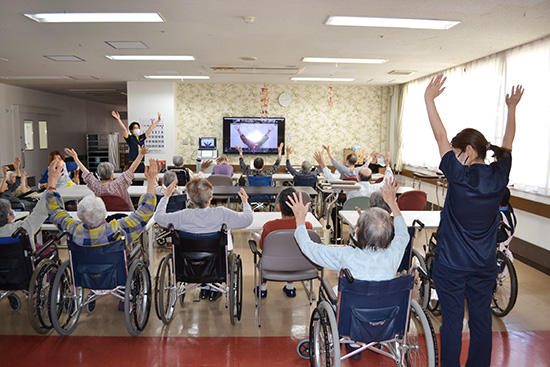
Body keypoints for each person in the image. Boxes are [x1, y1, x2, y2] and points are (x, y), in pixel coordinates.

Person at [424, 74, 523, 367]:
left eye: (456, 152)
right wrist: (512, 108)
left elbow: (440, 136)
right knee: (481, 321)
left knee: (452, 323)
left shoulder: (459, 176)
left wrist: (429, 100)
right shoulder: (498, 176)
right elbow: (508, 143)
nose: (452, 156)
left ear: (468, 151)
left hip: (451, 265)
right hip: (483, 265)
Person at [288, 178, 409, 281]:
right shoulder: (393, 254)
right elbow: (403, 233)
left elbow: (308, 247)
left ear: (358, 232)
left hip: (352, 307)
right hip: (385, 306)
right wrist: (393, 203)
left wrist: (300, 220)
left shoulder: (346, 255)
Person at [155, 178, 253, 301]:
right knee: (227, 238)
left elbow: (158, 217)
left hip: (187, 264)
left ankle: (204, 288)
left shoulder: (182, 216)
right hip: (216, 263)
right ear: (211, 196)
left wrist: (166, 196)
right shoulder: (222, 213)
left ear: (190, 199)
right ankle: (211, 289)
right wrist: (245, 203)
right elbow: (247, 219)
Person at [45, 158, 158, 249]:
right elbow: (145, 211)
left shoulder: (74, 230)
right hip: (115, 274)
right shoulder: (118, 230)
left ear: (80, 216)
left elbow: (55, 212)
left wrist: (51, 183)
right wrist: (151, 179)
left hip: (84, 274)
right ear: (104, 214)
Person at [256, 187, 314, 298]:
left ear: (278, 207)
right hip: (301, 266)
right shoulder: (307, 226)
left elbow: (262, 246)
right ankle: (290, 288)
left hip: (273, 266)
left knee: (264, 256)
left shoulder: (269, 226)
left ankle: (263, 289)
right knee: (293, 252)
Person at [64, 145, 149, 211]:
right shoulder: (120, 183)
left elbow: (86, 172)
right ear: (112, 175)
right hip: (125, 215)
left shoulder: (95, 185)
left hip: (103, 216)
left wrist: (75, 157)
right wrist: (141, 155)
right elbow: (132, 169)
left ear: (99, 175)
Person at [313, 150, 393, 199]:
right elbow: (388, 181)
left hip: (349, 212)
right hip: (367, 214)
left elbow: (331, 179)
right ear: (371, 178)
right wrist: (387, 165)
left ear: (358, 177)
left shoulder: (350, 188)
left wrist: (322, 164)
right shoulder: (375, 188)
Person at [0, 186, 48, 251]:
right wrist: (51, 188)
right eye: (11, 209)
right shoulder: (22, 229)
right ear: (8, 216)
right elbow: (41, 211)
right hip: (23, 260)